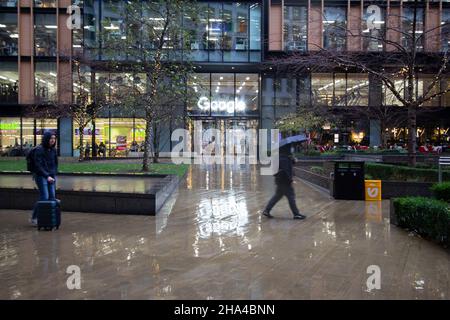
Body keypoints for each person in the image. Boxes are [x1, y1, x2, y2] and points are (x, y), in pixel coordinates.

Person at [261, 145, 306, 220]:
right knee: (291, 197)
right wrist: (291, 180)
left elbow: (288, 164)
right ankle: (296, 214)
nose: (291, 150)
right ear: (286, 150)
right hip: (284, 181)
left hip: (280, 181)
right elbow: (286, 170)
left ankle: (267, 210)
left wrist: (294, 160)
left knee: (277, 196)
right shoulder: (283, 158)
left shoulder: (283, 157)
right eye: (289, 149)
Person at [30, 132, 58, 225]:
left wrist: (53, 174)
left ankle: (47, 218)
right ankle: (34, 218)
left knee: (52, 197)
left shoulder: (53, 150)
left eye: (54, 138)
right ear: (46, 139)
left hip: (51, 176)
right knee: (44, 197)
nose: (53, 140)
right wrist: (47, 176)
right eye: (51, 138)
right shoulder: (40, 150)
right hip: (41, 176)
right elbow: (38, 165)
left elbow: (55, 164)